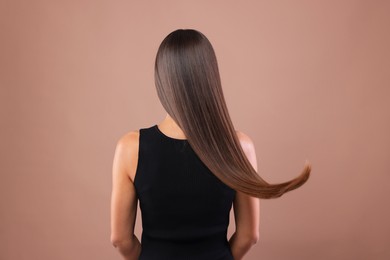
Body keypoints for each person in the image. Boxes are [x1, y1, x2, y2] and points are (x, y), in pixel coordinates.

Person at [110, 29, 311, 260]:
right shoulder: (239, 146)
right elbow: (249, 236)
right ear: (210, 77)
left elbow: (120, 239)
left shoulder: (130, 147)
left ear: (161, 79)